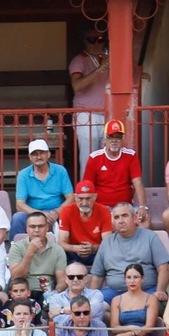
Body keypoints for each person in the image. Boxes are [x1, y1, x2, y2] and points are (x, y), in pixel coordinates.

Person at [89, 203, 169, 305]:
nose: (121, 221)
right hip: (114, 293)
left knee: (153, 305)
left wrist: (161, 290)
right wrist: (90, 300)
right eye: (116, 217)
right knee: (95, 305)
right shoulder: (106, 243)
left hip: (146, 291)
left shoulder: (150, 237)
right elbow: (97, 276)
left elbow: (163, 267)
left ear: (135, 218)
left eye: (125, 216)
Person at [11, 140, 75, 241]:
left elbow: (71, 198)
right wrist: (41, 214)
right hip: (33, 212)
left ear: (48, 154)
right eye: (35, 154)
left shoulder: (60, 171)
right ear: (30, 157)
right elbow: (19, 205)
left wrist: (57, 212)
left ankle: (70, 248)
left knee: (73, 214)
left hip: (57, 211)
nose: (38, 157)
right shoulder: (23, 174)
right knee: (17, 218)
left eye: (42, 153)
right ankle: (16, 248)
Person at [84, 121, 146, 217]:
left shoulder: (131, 155)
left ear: (123, 139)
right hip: (102, 207)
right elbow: (88, 185)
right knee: (110, 222)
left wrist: (143, 207)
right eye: (110, 137)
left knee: (144, 220)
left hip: (126, 206)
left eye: (118, 137)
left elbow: (137, 182)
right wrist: (89, 208)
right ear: (105, 139)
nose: (114, 140)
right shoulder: (94, 157)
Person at [69, 28, 110, 166]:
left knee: (106, 159)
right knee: (89, 159)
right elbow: (76, 86)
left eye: (100, 40)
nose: (96, 43)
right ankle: (86, 182)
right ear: (84, 42)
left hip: (106, 113)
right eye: (91, 40)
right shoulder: (79, 60)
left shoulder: (105, 59)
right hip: (86, 114)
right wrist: (100, 68)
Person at [105, 263, 160, 336]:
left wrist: (129, 334)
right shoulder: (116, 300)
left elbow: (149, 327)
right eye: (129, 277)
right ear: (125, 279)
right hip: (122, 335)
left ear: (142, 278)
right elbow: (114, 327)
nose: (132, 281)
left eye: (136, 277)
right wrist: (131, 328)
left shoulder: (151, 299)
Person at [7, 212, 65, 299]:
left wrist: (54, 294)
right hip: (23, 294)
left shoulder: (57, 249)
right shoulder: (17, 247)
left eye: (40, 226)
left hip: (48, 294)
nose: (36, 230)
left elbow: (62, 281)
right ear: (27, 229)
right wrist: (30, 252)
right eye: (32, 226)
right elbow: (16, 277)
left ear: (47, 227)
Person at [55, 180, 110, 266]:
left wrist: (93, 248)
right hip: (73, 253)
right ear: (75, 197)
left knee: (109, 254)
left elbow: (107, 243)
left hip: (96, 253)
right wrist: (75, 248)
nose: (84, 203)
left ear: (95, 197)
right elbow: (61, 242)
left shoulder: (104, 211)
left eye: (88, 199)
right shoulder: (66, 211)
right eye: (80, 199)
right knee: (59, 254)